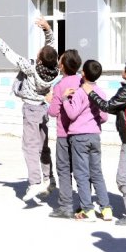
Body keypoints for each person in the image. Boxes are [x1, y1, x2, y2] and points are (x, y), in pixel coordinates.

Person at [0, 17, 58, 202]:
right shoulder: (54, 69)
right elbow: (51, 47)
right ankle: (48, 178)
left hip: (31, 109)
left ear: (39, 59)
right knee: (43, 146)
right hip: (44, 107)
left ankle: (35, 182)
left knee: (29, 147)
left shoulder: (31, 68)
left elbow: (12, 55)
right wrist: (47, 29)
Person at [82, 59, 126, 226]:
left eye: (124, 69)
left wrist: (90, 92)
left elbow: (107, 106)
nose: (122, 71)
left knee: (124, 178)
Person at [60, 60, 112, 221]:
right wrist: (93, 122)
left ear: (83, 73)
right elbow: (104, 116)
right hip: (94, 135)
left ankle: (88, 209)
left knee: (81, 174)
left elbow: (72, 114)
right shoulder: (100, 92)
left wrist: (64, 100)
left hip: (79, 136)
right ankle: (106, 209)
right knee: (97, 173)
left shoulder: (79, 92)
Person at [47, 49, 82, 218]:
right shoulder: (83, 81)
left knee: (64, 168)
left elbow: (53, 112)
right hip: (82, 132)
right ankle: (85, 204)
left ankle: (66, 205)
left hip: (64, 133)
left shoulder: (59, 86)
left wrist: (51, 100)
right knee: (82, 169)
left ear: (62, 65)